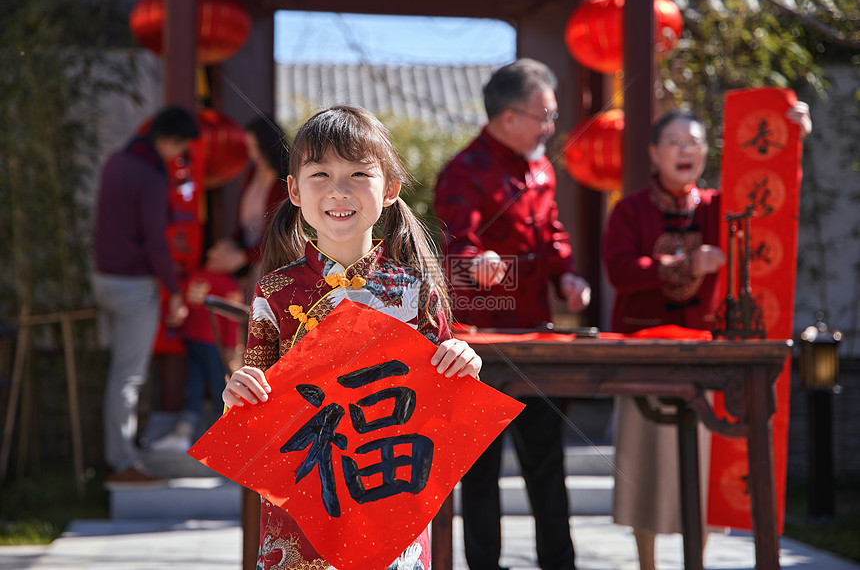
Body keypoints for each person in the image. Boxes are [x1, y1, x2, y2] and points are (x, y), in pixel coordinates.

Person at [221, 105, 483, 569]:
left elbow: (446, 404)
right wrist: (238, 393)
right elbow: (254, 410)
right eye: (320, 173)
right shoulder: (275, 293)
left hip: (390, 492)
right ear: (294, 190)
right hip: (301, 502)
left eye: (359, 173)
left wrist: (462, 363)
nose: (338, 190)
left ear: (390, 190)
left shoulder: (416, 290)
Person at [602, 103, 811, 570]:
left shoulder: (721, 206)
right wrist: (682, 265)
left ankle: (696, 560)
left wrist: (790, 143)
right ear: (654, 153)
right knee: (645, 463)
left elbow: (771, 211)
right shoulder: (630, 211)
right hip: (645, 356)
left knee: (704, 466)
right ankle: (648, 565)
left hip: (705, 355)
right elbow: (618, 270)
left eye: (694, 142)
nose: (686, 151)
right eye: (675, 142)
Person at [434, 58, 591, 570]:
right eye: (544, 116)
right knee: (479, 470)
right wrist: (474, 261)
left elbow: (554, 234)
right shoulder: (464, 171)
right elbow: (454, 250)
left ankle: (559, 564)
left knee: (547, 461)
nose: (551, 127)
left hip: (535, 337)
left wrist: (566, 274)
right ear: (508, 117)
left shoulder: (541, 168)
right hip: (478, 344)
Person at [93, 105, 199, 483]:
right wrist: (173, 292)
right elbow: (157, 242)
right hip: (134, 285)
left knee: (118, 374)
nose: (179, 155)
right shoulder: (151, 175)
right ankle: (122, 463)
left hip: (104, 278)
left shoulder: (117, 162)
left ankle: (121, 456)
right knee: (128, 378)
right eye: (181, 146)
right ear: (169, 141)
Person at [148, 260, 242, 453]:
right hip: (193, 337)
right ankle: (183, 433)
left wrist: (231, 346)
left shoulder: (228, 283)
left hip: (213, 341)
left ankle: (230, 436)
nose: (220, 255)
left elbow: (232, 319)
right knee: (194, 384)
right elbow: (184, 301)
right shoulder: (196, 274)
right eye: (217, 250)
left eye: (227, 252)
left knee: (220, 386)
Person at [207, 115, 290, 300]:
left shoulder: (285, 182)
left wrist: (242, 256)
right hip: (248, 254)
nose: (253, 154)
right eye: (250, 148)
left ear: (270, 145)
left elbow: (279, 234)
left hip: (270, 261)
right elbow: (245, 222)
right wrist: (231, 244)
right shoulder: (252, 172)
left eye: (257, 148)